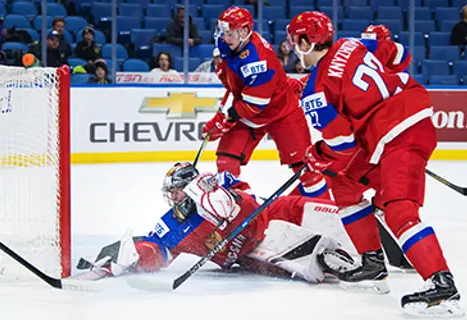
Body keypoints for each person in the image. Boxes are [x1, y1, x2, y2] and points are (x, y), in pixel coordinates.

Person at [287, 12, 462, 316]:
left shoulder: (317, 92)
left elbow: (342, 145)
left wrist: (318, 155)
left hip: (397, 133)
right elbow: (400, 57)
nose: (292, 47)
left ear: (304, 40)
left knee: (398, 208)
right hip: (397, 123)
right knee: (344, 184)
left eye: (294, 40)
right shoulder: (354, 44)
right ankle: (372, 265)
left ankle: (442, 287)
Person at [76, 162, 357, 284]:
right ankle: (337, 260)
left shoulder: (216, 182)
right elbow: (157, 250)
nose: (172, 199)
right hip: (252, 251)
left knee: (326, 211)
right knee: (307, 263)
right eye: (170, 193)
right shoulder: (173, 225)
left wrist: (219, 195)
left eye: (175, 191)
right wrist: (132, 255)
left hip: (270, 212)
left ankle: (371, 224)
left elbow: (245, 196)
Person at [203, 7, 329, 199]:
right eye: (224, 32)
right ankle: (238, 207)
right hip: (251, 112)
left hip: (282, 112)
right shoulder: (230, 44)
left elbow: (255, 104)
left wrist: (224, 121)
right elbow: (234, 85)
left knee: (305, 168)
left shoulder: (258, 60)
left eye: (229, 33)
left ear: (244, 32)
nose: (224, 38)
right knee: (226, 159)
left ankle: (324, 208)